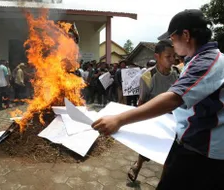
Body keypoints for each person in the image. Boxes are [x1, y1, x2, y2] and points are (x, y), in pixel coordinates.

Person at [92, 9, 224, 190]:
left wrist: (119, 119)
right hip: (190, 142)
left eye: (173, 39)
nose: (173, 47)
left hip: (203, 152)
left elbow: (174, 98)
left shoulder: (208, 61)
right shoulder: (196, 61)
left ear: (185, 35)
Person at [127, 40, 180, 182]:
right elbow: (142, 102)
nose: (172, 60)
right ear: (157, 57)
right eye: (168, 56)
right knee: (147, 149)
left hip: (173, 120)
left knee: (169, 157)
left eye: (174, 56)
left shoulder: (178, 73)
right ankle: (138, 165)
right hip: (154, 119)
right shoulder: (148, 76)